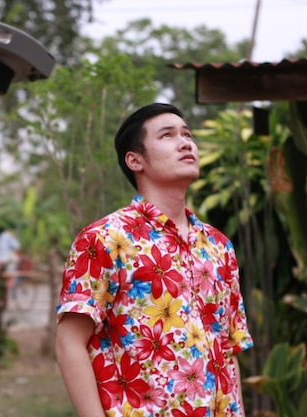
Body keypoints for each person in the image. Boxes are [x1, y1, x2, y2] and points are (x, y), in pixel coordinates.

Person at [55, 103, 254, 417]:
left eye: (187, 134)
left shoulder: (219, 246)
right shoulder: (105, 238)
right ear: (135, 160)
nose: (186, 142)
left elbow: (227, 348)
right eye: (168, 135)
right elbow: (69, 343)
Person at [0, 225, 21, 290]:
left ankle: (4, 281)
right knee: (15, 260)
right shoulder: (7, 236)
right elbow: (17, 246)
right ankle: (10, 281)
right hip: (5, 259)